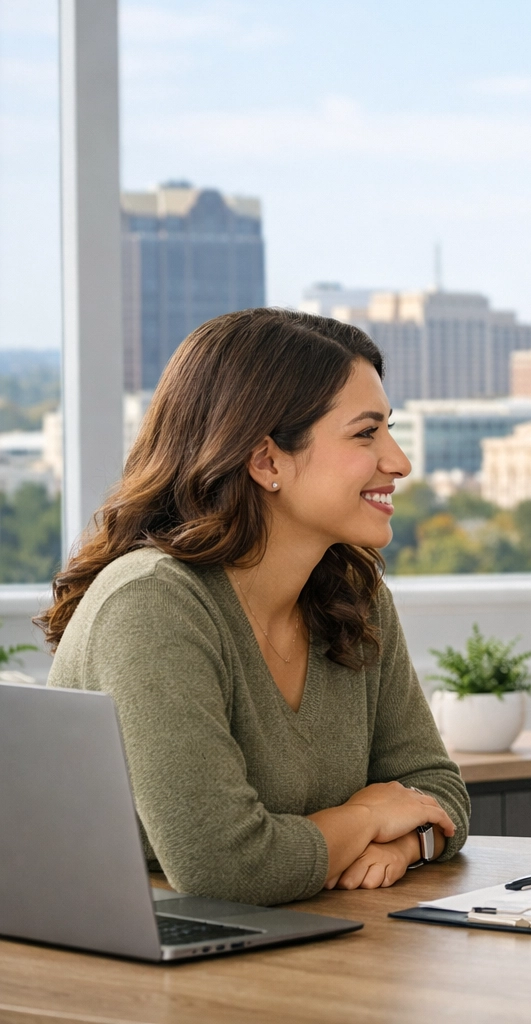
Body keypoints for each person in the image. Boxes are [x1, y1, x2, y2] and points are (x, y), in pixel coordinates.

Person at [43, 308, 469, 907]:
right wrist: (370, 817)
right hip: (132, 970)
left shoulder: (354, 595)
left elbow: (436, 787)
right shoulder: (153, 604)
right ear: (267, 461)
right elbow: (226, 868)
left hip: (307, 944)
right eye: (365, 433)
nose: (399, 461)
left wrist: (406, 845)